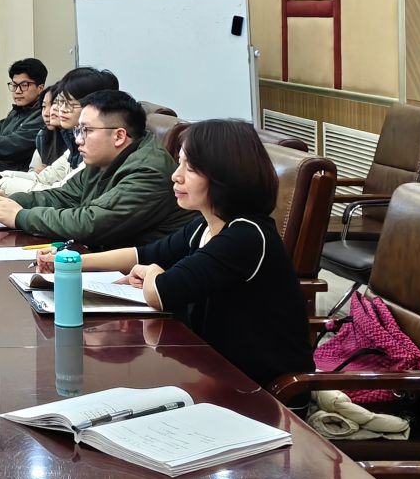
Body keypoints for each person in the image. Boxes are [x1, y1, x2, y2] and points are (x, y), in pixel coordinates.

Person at [40, 119, 311, 387]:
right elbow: (143, 254)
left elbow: (161, 292)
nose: (176, 175)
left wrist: (153, 273)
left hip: (260, 388)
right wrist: (70, 262)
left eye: (190, 168)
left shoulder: (246, 236)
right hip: (214, 369)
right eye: (179, 163)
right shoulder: (204, 225)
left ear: (225, 176)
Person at [0, 91, 192, 249]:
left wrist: (20, 216)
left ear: (119, 136)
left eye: (86, 130)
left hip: (140, 275)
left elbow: (89, 223)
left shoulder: (149, 171)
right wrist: (11, 202)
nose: (78, 139)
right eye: (78, 130)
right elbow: (64, 197)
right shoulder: (103, 158)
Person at [0, 69, 117, 197]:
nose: (58, 110)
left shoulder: (97, 149)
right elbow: (43, 178)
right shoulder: (70, 141)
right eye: (59, 103)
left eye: (68, 104)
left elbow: (58, 193)